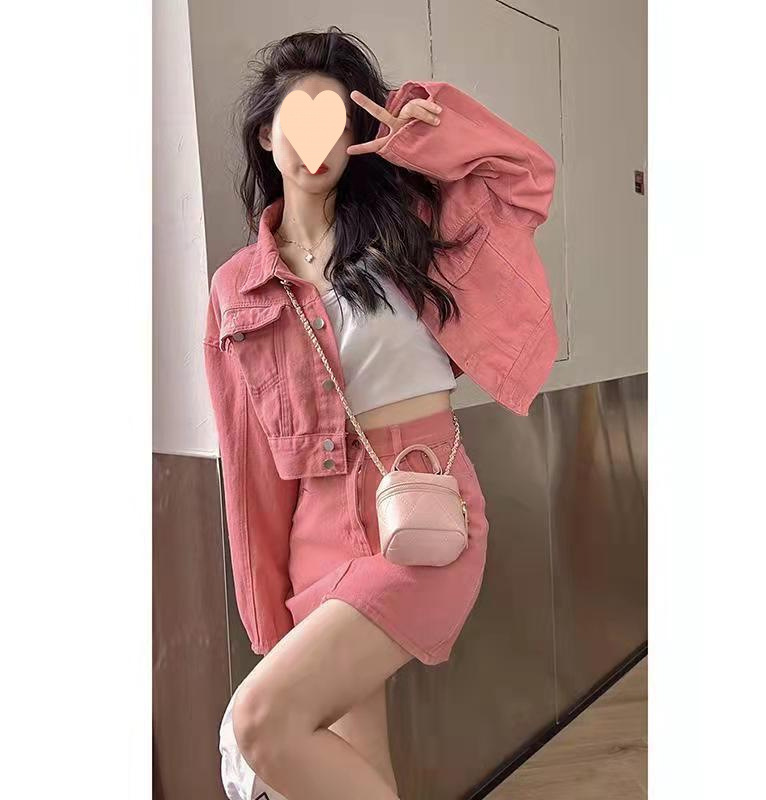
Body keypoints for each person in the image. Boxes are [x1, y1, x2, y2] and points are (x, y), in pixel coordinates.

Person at [203, 26, 558, 800]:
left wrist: (427, 129)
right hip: (314, 534)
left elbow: (527, 178)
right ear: (265, 133)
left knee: (259, 724)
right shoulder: (237, 287)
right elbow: (249, 463)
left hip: (423, 501)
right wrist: (268, 623)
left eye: (336, 122)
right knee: (355, 765)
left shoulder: (412, 227)